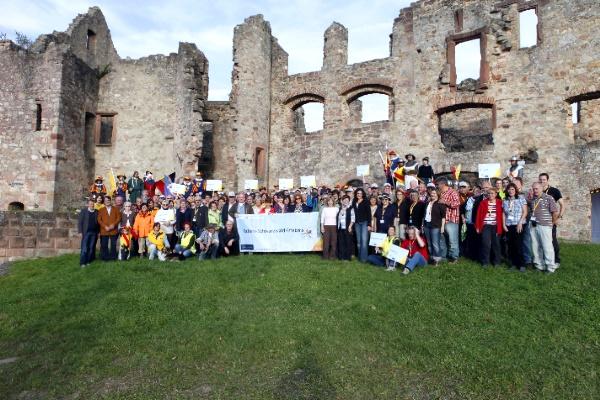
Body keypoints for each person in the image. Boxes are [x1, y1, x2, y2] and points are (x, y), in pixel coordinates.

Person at [529, 182, 559, 273]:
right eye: (533, 189)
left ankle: (550, 267)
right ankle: (539, 266)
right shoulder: (533, 199)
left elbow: (555, 212)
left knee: (547, 247)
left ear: (542, 188)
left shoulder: (549, 198)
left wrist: (552, 223)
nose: (535, 190)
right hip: (533, 226)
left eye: (537, 188)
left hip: (545, 226)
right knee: (535, 246)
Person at [539, 173, 565, 267]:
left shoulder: (554, 191)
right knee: (542, 241)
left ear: (547, 180)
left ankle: (556, 260)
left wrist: (559, 217)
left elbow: (562, 204)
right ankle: (545, 259)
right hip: (541, 220)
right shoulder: (538, 191)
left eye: (544, 179)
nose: (542, 181)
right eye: (540, 180)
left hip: (551, 220)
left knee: (552, 240)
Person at [475, 187, 504, 268]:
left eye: (492, 193)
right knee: (485, 244)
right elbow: (478, 215)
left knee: (496, 244)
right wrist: (477, 226)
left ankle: (496, 262)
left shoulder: (500, 202)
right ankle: (485, 262)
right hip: (486, 225)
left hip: (496, 226)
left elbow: (503, 214)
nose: (490, 195)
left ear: (496, 194)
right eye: (489, 193)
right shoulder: (483, 203)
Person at [503, 183, 528, 272]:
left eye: (512, 189)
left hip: (519, 225)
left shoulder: (521, 198)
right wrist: (503, 224)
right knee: (510, 245)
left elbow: (525, 212)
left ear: (515, 190)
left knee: (518, 245)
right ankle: (513, 264)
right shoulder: (505, 200)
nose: (511, 191)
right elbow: (504, 213)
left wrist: (520, 222)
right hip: (509, 225)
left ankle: (521, 264)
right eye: (509, 189)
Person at [437, 177, 460, 263]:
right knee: (443, 240)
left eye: (438, 184)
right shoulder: (441, 193)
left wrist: (445, 202)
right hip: (442, 220)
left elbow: (457, 203)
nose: (437, 186)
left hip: (451, 220)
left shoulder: (452, 192)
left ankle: (454, 257)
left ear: (443, 184)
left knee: (452, 240)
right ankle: (444, 256)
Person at [423, 189, 446, 266]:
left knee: (435, 243)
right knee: (429, 243)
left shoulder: (440, 204)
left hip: (435, 226)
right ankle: (432, 258)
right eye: (432, 193)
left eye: (434, 193)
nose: (432, 194)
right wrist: (422, 225)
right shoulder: (427, 203)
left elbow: (443, 217)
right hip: (427, 225)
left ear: (438, 194)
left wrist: (442, 227)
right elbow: (424, 215)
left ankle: (437, 260)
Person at [97, 195, 121, 261]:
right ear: (104, 202)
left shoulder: (115, 209)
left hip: (113, 230)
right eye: (106, 201)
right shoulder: (101, 210)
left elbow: (119, 218)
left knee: (113, 244)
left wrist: (114, 224)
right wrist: (105, 226)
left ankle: (113, 257)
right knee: (104, 245)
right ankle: (105, 257)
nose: (107, 202)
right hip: (104, 230)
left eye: (108, 200)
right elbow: (99, 219)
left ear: (110, 201)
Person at [77, 199, 99, 267]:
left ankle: (88, 261)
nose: (91, 205)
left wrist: (98, 232)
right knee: (84, 248)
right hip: (86, 233)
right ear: (88, 204)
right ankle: (82, 262)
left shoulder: (96, 212)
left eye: (92, 204)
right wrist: (80, 232)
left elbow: (98, 223)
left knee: (91, 247)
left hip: (94, 232)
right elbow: (80, 222)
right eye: (90, 204)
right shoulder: (84, 211)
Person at [353, 188, 371, 262]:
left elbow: (369, 213)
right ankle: (360, 257)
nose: (359, 195)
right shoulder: (354, 201)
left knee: (364, 241)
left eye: (360, 193)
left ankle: (364, 259)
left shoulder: (366, 201)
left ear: (363, 194)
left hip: (364, 222)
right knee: (358, 241)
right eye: (357, 193)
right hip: (357, 223)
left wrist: (369, 224)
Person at [337, 195, 355, 261]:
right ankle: (341, 257)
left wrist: (350, 226)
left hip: (348, 228)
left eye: (347, 200)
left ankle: (347, 257)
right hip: (340, 228)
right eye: (344, 200)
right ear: (342, 201)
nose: (345, 201)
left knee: (348, 242)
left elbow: (353, 219)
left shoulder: (351, 208)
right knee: (341, 242)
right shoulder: (340, 208)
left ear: (349, 201)